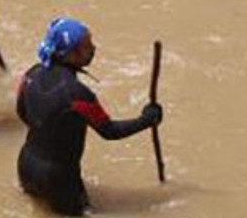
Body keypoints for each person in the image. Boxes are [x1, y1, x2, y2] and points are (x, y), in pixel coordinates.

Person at [16, 18, 164, 216]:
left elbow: (22, 112)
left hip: (26, 166)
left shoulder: (31, 74)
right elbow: (109, 131)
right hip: (59, 178)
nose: (93, 49)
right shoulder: (77, 94)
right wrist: (147, 119)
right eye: (87, 46)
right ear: (72, 54)